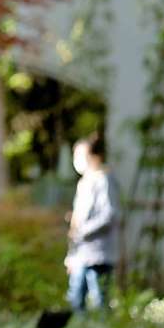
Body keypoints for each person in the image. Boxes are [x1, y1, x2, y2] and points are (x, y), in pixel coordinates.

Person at [64, 132, 119, 312]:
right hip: (80, 253)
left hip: (98, 254)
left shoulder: (104, 179)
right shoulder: (84, 183)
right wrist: (71, 255)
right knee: (75, 300)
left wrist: (82, 231)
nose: (78, 160)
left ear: (95, 156)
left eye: (81, 155)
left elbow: (109, 214)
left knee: (100, 301)